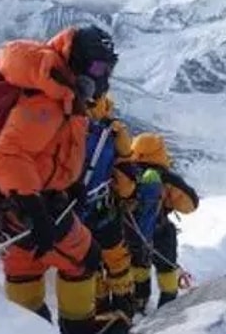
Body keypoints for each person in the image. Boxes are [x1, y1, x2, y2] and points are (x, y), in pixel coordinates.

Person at [0, 25, 118, 334]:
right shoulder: (46, 102)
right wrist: (33, 207)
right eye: (98, 68)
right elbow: (5, 155)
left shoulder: (61, 93)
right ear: (79, 63)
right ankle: (78, 328)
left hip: (16, 209)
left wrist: (70, 185)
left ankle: (30, 326)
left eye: (108, 69)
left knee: (25, 268)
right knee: (85, 259)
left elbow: (50, 151)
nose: (103, 77)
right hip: (30, 206)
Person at [72, 93, 147, 333]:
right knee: (116, 259)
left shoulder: (65, 122)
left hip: (70, 214)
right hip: (103, 210)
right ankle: (123, 307)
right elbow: (125, 178)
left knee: (88, 261)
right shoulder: (111, 132)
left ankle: (99, 307)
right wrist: (126, 196)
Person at [120, 133, 199, 313]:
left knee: (139, 264)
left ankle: (139, 301)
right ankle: (168, 304)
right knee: (167, 268)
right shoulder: (165, 177)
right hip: (160, 230)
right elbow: (190, 204)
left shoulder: (125, 171)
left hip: (130, 231)